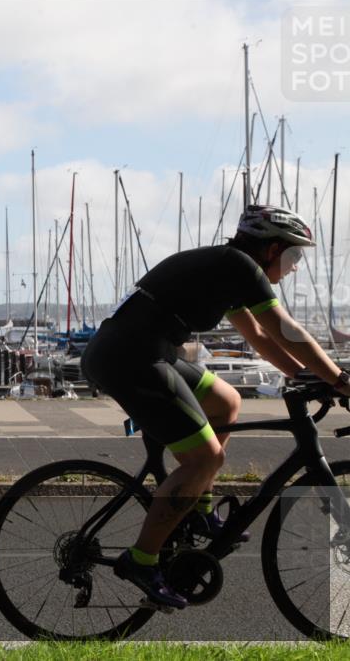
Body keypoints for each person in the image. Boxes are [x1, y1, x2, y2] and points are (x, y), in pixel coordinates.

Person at [81, 204, 350, 610]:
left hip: (145, 352)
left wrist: (302, 376)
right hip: (131, 357)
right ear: (272, 249)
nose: (294, 267)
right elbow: (285, 328)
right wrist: (339, 379)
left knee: (227, 401)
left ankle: (199, 511)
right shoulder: (239, 266)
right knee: (203, 458)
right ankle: (141, 560)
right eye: (294, 256)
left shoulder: (227, 269)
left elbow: (259, 336)